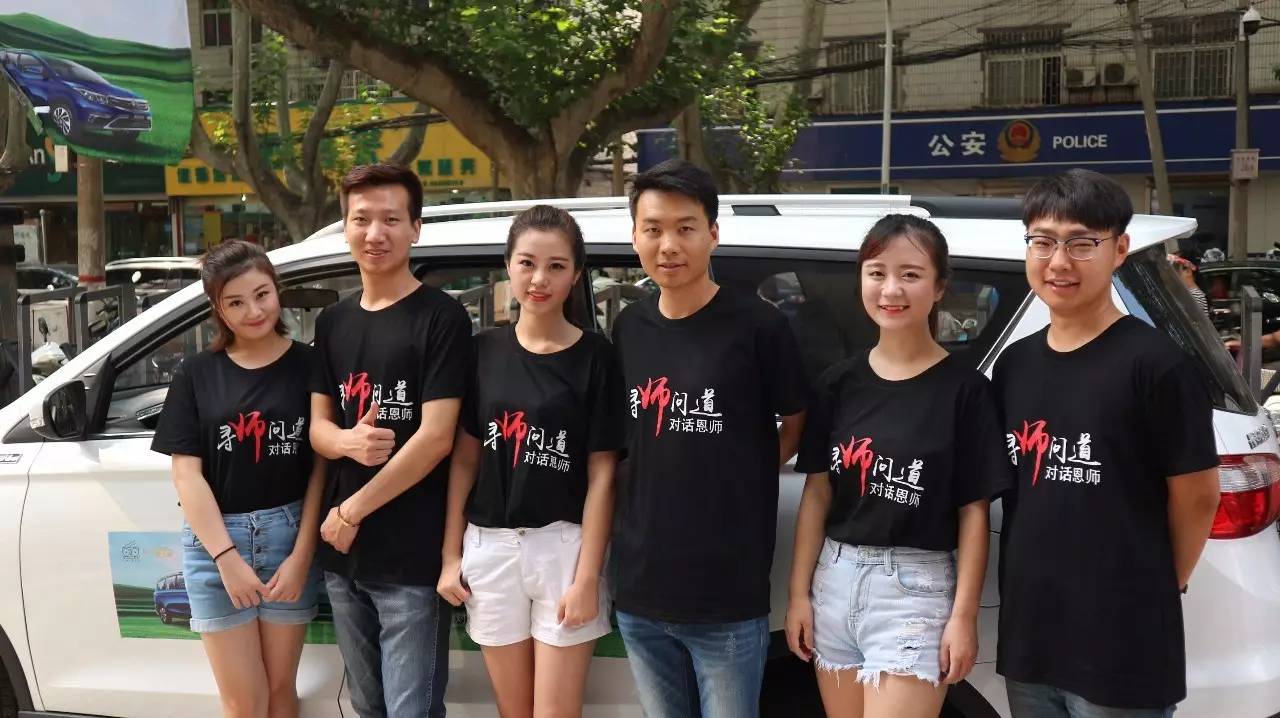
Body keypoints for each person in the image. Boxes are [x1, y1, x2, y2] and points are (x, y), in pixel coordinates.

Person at [994, 169, 1221, 718]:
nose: (1058, 262)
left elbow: (1198, 497)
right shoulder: (1015, 365)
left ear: (1119, 249)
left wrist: (1154, 587)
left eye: (1081, 243)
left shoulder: (1157, 366)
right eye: (1043, 241)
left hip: (1124, 642)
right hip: (1032, 637)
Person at [784, 215, 1011, 718]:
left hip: (915, 591)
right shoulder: (838, 383)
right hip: (834, 580)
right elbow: (818, 493)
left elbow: (973, 512)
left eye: (910, 274)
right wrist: (798, 595)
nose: (891, 289)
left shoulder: (965, 391)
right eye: (877, 272)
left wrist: (963, 618)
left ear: (939, 287)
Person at [610, 158, 809, 717]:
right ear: (635, 236)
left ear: (713, 234)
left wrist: (743, 471)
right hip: (641, 590)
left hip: (726, 593)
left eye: (685, 228)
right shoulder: (629, 328)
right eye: (653, 229)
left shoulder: (759, 327)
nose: (668, 245)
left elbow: (797, 421)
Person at [438, 205, 625, 717]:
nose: (539, 279)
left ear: (576, 275)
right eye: (527, 263)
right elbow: (464, 460)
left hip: (563, 548)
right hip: (489, 548)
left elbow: (603, 475)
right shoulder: (480, 351)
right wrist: (450, 556)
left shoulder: (598, 358)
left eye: (556, 266)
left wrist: (587, 578)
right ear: (508, 266)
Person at [308, 163, 472, 717]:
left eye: (391, 219)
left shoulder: (442, 317)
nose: (375, 233)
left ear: (415, 229)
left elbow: (436, 438)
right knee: (366, 707)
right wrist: (347, 443)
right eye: (361, 219)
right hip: (343, 558)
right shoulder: (332, 322)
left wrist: (350, 511)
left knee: (411, 711)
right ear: (345, 227)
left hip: (411, 557)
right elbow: (319, 428)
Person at [151, 239, 325, 718]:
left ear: (277, 290)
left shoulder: (311, 365)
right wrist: (226, 559)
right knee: (244, 703)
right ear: (218, 308)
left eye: (262, 294)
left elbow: (321, 470)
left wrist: (302, 555)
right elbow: (186, 475)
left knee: (280, 691)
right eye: (236, 302)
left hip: (289, 538)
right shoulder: (196, 374)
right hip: (214, 547)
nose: (254, 311)